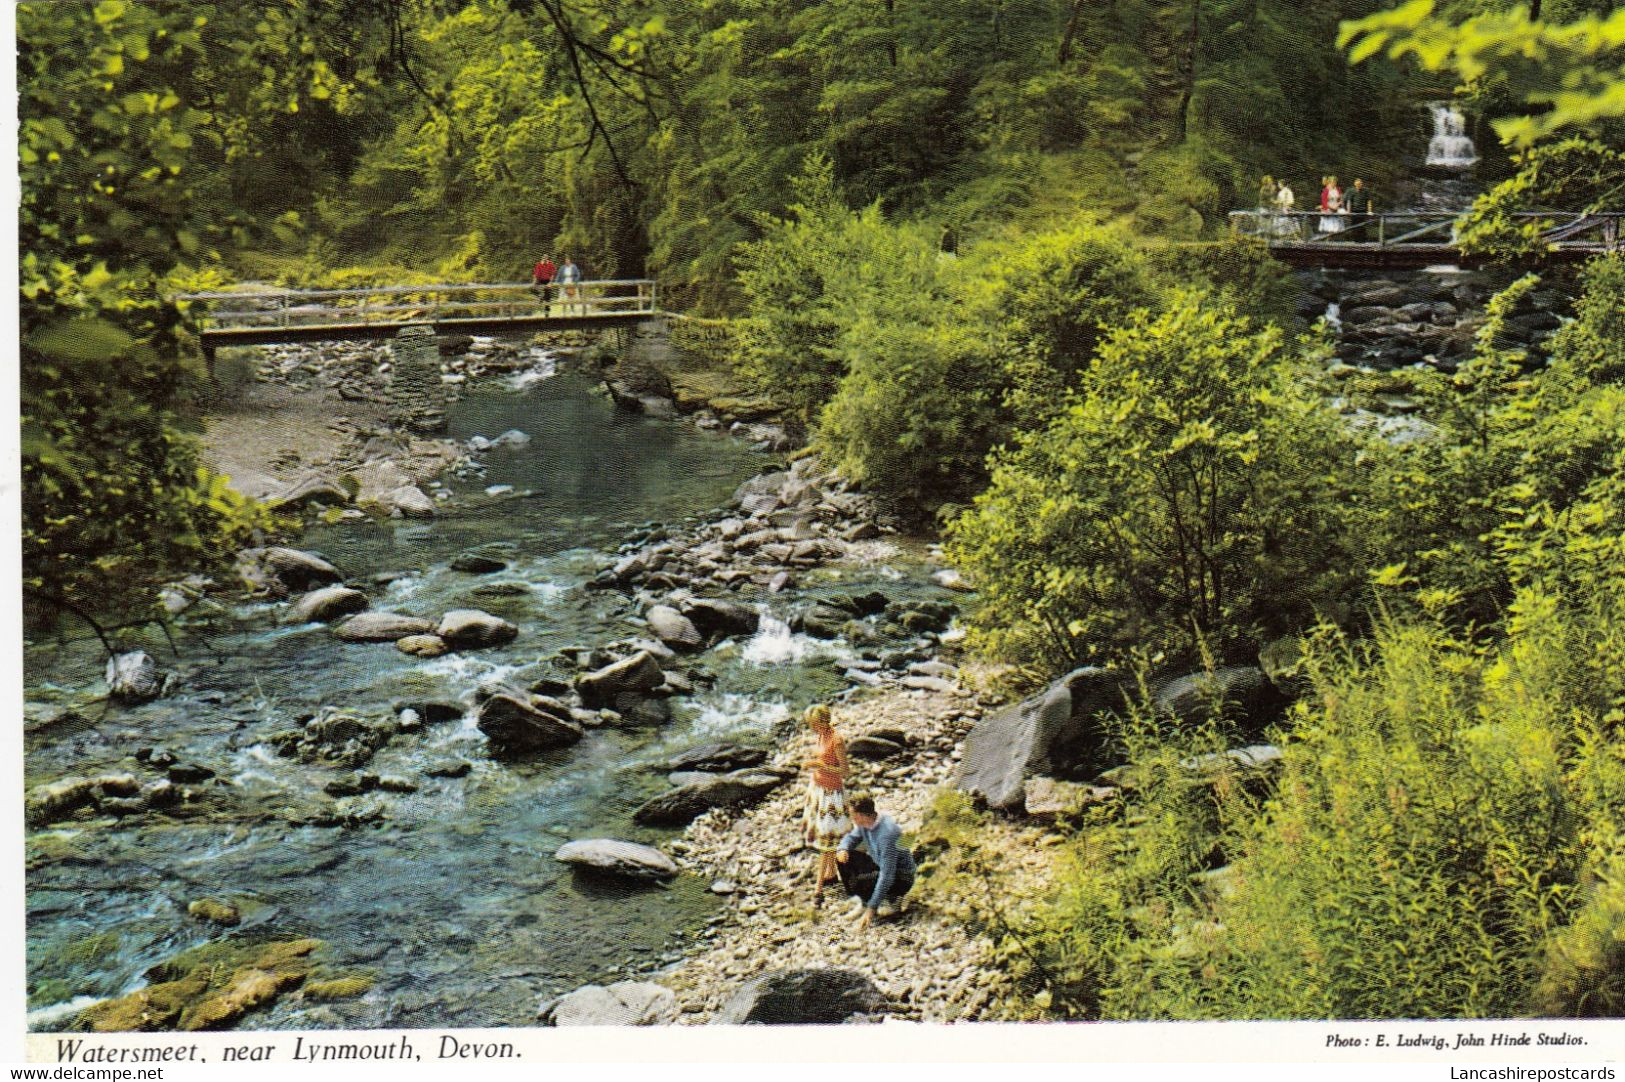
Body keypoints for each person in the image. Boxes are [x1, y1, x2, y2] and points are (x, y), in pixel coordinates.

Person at [835, 795, 917, 928]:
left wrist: (871, 910)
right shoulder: (866, 823)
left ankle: (891, 899)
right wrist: (842, 849)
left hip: (901, 876)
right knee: (844, 858)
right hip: (881, 865)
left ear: (861, 815)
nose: (851, 818)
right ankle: (864, 901)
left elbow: (887, 876)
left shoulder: (887, 834)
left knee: (863, 879)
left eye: (853, 815)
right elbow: (851, 838)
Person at [800, 705, 849, 905]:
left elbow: (845, 771)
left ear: (822, 722)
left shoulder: (836, 739)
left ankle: (818, 890)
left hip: (831, 793)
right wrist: (815, 764)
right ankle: (830, 873)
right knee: (825, 837)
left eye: (814, 725)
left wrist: (820, 766)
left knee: (827, 841)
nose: (812, 728)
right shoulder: (822, 735)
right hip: (819, 789)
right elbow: (824, 759)